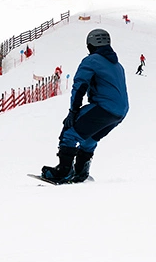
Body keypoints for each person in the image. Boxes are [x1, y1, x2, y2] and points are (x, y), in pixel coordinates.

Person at [40, 28, 128, 184]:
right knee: (89, 137)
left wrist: (73, 112)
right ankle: (81, 171)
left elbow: (80, 86)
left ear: (90, 44)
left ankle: (64, 171)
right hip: (120, 112)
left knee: (70, 131)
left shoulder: (91, 61)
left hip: (104, 107)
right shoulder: (118, 65)